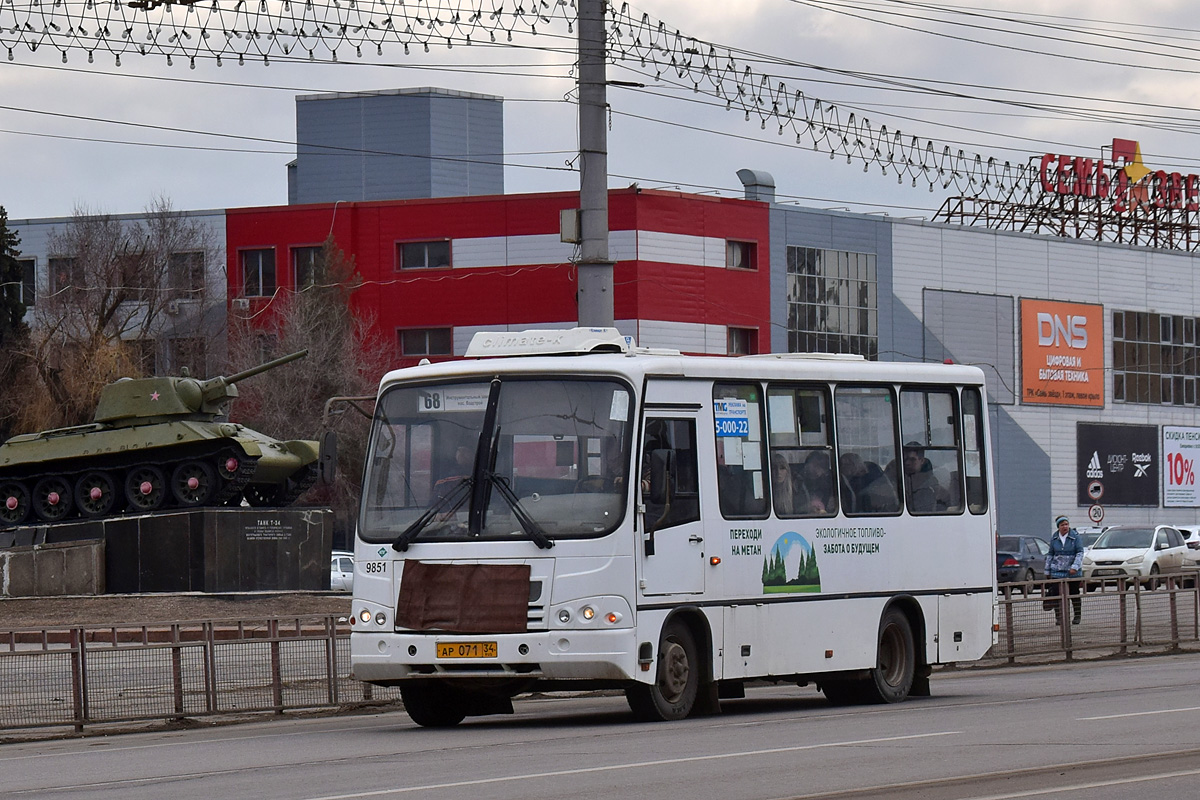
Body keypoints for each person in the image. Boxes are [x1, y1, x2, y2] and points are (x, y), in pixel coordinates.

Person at [1044, 514, 1084, 625]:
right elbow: (1050, 554)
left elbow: (1080, 552)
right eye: (1062, 525)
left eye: (1066, 524)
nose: (1065, 527)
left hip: (1072, 573)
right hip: (1057, 571)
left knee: (1074, 594)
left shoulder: (1075, 537)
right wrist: (1047, 570)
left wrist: (1075, 567)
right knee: (1057, 595)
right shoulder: (1055, 538)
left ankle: (1077, 616)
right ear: (1058, 526)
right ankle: (1059, 618)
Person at [902, 442, 947, 513]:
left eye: (912, 459)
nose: (907, 463)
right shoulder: (899, 480)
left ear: (922, 461)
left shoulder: (931, 487)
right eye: (905, 459)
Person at [795, 450, 835, 515]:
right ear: (806, 465)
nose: (817, 468)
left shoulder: (830, 483)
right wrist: (808, 508)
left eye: (822, 466)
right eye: (815, 464)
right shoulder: (797, 481)